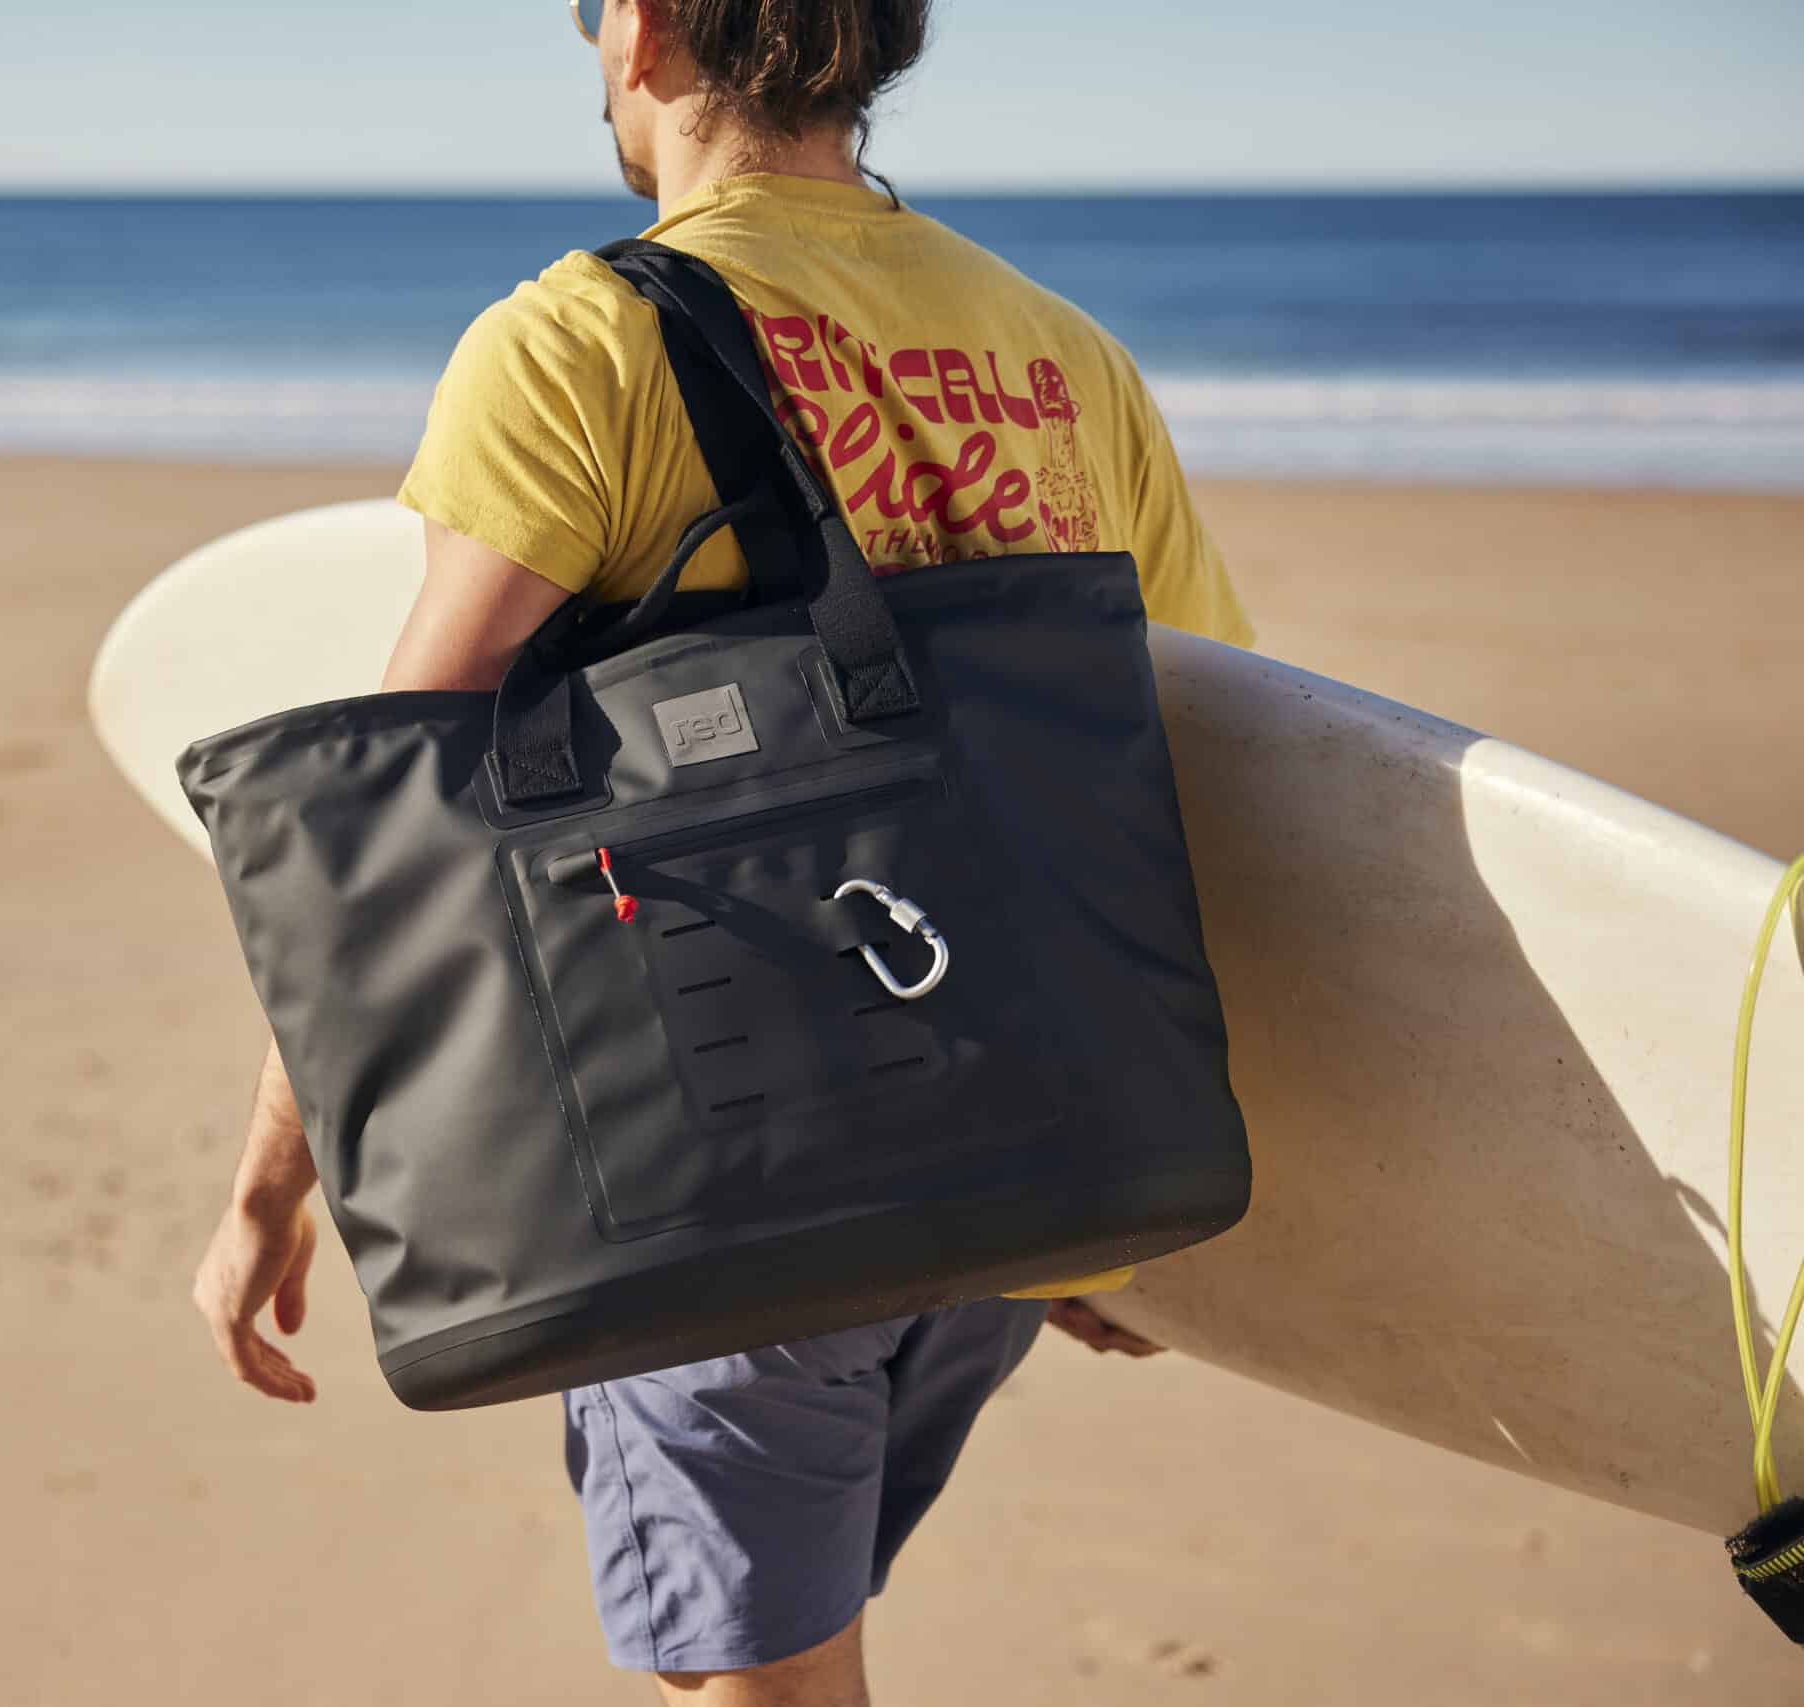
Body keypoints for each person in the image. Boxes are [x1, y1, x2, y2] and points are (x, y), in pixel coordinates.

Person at [191, 3, 1257, 1701]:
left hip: (732, 1185)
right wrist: (1099, 1185)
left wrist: (271, 1181)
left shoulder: (583, 342)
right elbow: (1185, 782)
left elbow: (390, 831)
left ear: (646, 27)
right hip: (1014, 1157)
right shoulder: (1065, 358)